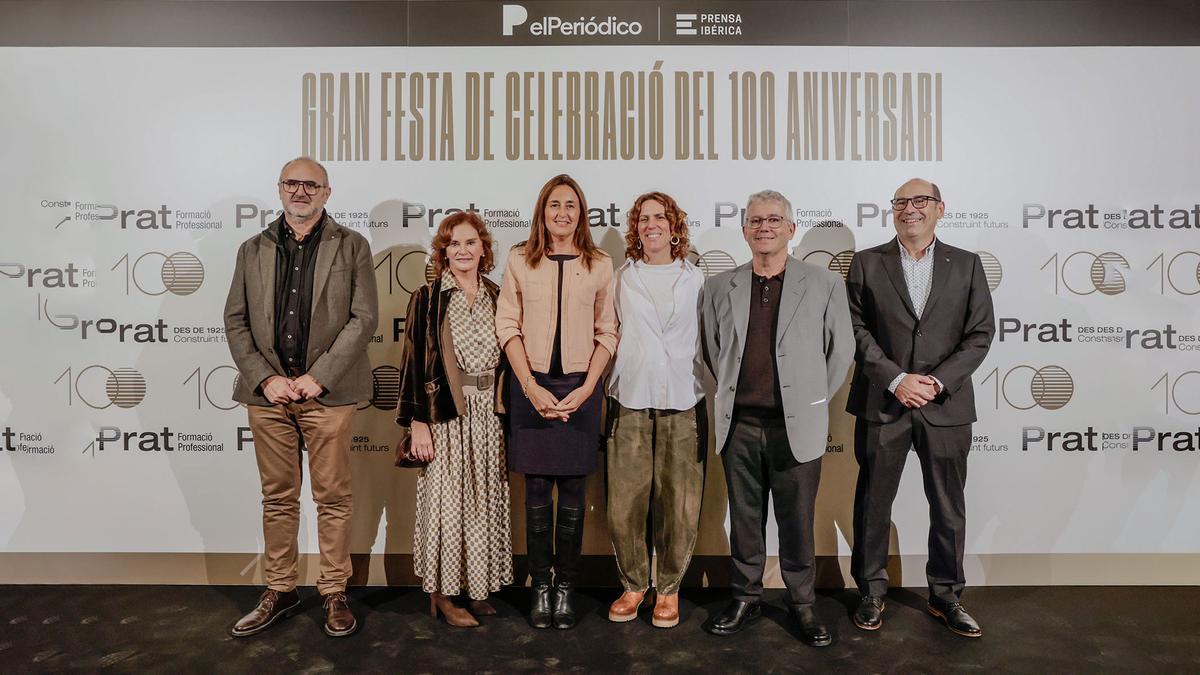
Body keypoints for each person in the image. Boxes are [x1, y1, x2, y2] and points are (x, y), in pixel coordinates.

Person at [223, 156, 378, 638]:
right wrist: (265, 379)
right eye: (292, 183)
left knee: (332, 498)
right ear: (280, 189)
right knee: (278, 498)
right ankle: (281, 589)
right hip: (268, 396)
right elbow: (235, 320)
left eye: (312, 185)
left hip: (327, 395)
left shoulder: (352, 245)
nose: (301, 191)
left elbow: (364, 318)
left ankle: (334, 591)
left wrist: (320, 377)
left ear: (327, 193)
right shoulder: (252, 249)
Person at [700, 189, 853, 647]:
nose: (763, 227)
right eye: (755, 220)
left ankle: (802, 602)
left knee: (797, 521)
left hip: (796, 427)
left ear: (790, 228)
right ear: (744, 230)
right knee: (745, 521)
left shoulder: (824, 284)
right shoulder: (719, 287)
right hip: (740, 426)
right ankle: (745, 597)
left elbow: (840, 352)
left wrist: (809, 401)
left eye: (772, 220)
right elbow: (712, 349)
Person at [845, 178, 995, 638]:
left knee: (948, 506)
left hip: (945, 404)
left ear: (940, 208)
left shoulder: (966, 264)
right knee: (873, 503)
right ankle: (871, 591)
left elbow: (980, 333)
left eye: (920, 201)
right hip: (883, 401)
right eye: (901, 202)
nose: (909, 208)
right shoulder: (866, 262)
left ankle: (946, 595)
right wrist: (896, 379)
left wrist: (936, 382)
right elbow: (855, 329)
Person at [495, 174, 618, 629]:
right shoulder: (519, 259)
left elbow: (608, 331)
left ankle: (565, 587)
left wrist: (588, 389)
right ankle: (540, 587)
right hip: (531, 386)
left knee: (573, 490)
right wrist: (529, 385)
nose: (562, 213)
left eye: (570, 205)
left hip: (581, 388)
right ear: (542, 212)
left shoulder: (600, 264)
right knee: (536, 489)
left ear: (581, 213)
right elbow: (507, 325)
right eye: (554, 205)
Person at [396, 211, 512, 628]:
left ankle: (474, 588)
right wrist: (417, 424)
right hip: (445, 416)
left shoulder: (499, 294)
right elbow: (412, 362)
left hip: (489, 418)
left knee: (482, 503)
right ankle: (442, 594)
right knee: (447, 505)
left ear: (484, 248)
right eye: (454, 244)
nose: (462, 250)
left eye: (470, 242)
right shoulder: (427, 298)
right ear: (443, 252)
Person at [605, 192, 705, 629]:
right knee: (624, 503)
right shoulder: (620, 279)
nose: (651, 225)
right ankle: (633, 585)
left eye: (659, 217)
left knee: (679, 503)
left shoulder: (697, 279)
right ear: (635, 229)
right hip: (629, 399)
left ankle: (668, 588)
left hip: (684, 400)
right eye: (643, 218)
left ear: (674, 225)